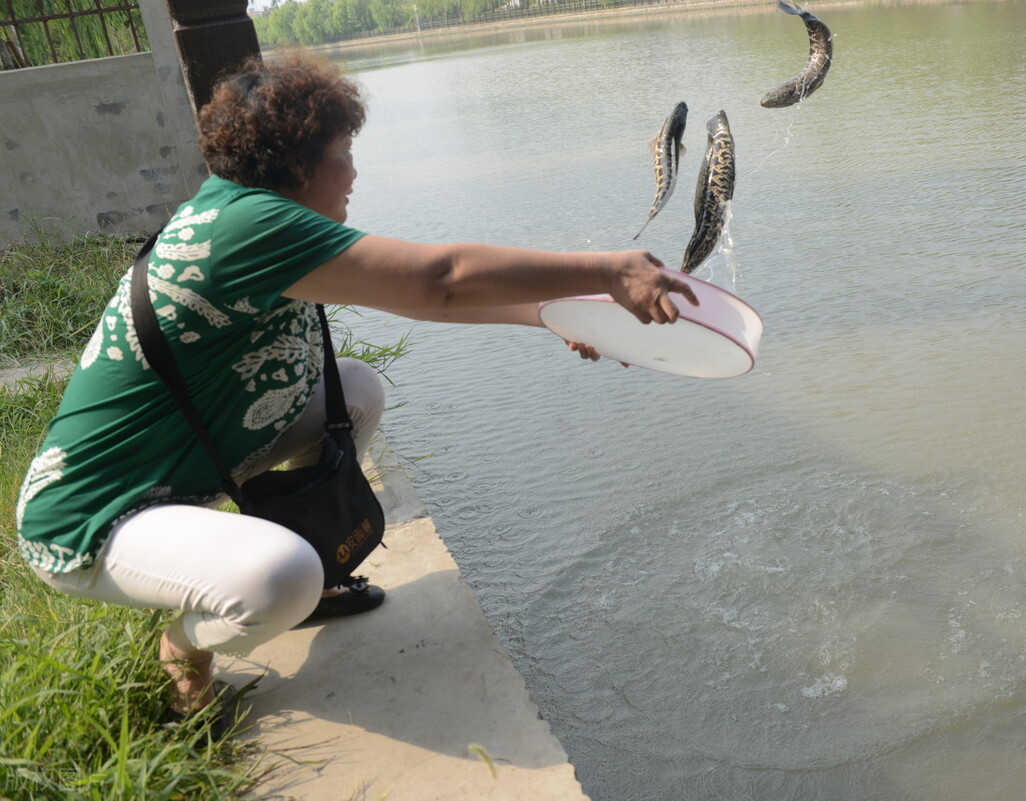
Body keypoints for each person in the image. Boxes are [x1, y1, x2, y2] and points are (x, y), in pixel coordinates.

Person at [14, 54, 697, 726]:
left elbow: (431, 298)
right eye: (344, 151)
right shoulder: (249, 230)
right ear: (299, 164)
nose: (355, 170)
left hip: (183, 465)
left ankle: (281, 564)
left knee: (356, 389)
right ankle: (185, 643)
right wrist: (609, 270)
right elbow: (437, 280)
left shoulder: (248, 215)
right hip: (91, 518)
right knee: (280, 578)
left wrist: (555, 314)